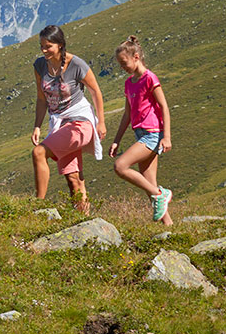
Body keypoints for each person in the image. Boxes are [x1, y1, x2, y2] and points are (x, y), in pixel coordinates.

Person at [30, 24, 105, 213]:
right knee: (73, 179)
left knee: (39, 153)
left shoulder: (76, 64)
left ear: (60, 45)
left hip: (80, 122)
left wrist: (101, 122)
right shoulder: (40, 65)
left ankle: (38, 205)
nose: (44, 50)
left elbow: (95, 91)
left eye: (48, 46)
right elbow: (41, 98)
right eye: (42, 46)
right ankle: (83, 218)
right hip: (60, 123)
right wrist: (37, 126)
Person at [109, 35, 174, 224]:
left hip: (153, 134)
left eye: (124, 62)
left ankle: (161, 193)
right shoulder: (129, 83)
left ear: (136, 56)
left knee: (120, 166)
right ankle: (169, 226)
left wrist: (167, 137)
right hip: (140, 134)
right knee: (149, 184)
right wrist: (116, 140)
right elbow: (127, 114)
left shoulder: (149, 78)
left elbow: (164, 106)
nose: (122, 68)